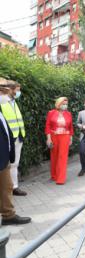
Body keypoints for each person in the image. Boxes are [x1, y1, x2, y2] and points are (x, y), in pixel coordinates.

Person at [0, 79, 31, 225]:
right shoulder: (4, 103)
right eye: (4, 92)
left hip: (10, 145)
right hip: (4, 150)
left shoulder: (9, 104)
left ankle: (8, 214)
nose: (6, 95)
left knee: (8, 181)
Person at [45, 97, 74, 185]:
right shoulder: (51, 113)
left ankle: (61, 179)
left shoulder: (68, 114)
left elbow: (70, 127)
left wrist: (71, 138)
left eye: (66, 104)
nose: (65, 106)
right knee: (54, 157)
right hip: (54, 136)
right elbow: (48, 126)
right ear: (58, 104)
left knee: (63, 157)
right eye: (63, 104)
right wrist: (48, 138)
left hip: (65, 137)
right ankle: (54, 176)